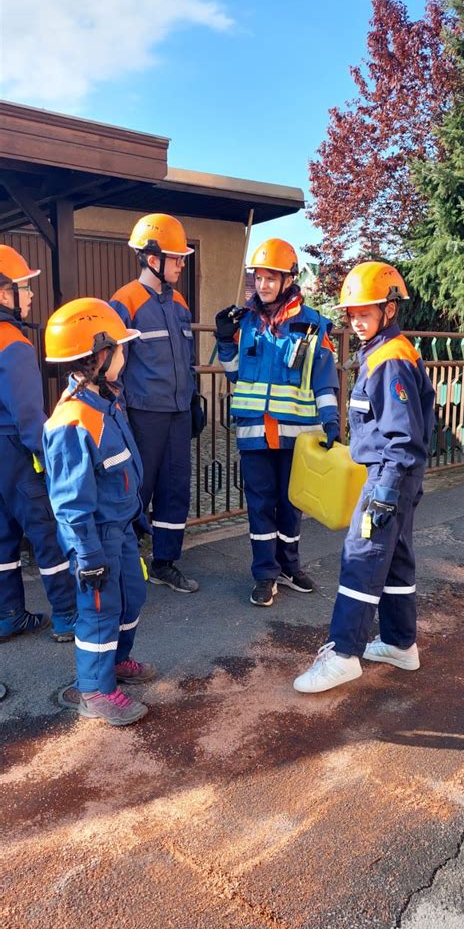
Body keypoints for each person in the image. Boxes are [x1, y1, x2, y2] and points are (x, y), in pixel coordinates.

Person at [293, 261, 435, 694]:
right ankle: (399, 643)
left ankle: (342, 654)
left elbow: (402, 435)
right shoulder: (386, 352)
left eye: (365, 312)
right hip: (398, 474)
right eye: (351, 313)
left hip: (389, 474)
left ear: (389, 310)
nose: (356, 321)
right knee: (395, 557)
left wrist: (385, 491)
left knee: (362, 554)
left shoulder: (389, 361)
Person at [43, 298, 156, 726]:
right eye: (121, 349)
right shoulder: (74, 420)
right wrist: (88, 558)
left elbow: (120, 469)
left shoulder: (105, 401)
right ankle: (93, 690)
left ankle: (116, 664)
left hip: (120, 529)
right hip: (95, 541)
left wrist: (136, 517)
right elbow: (71, 504)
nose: (126, 356)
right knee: (99, 611)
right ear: (100, 354)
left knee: (132, 598)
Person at [215, 238, 340, 606]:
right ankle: (264, 575)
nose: (264, 285)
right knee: (259, 507)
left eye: (272, 277)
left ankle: (289, 567)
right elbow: (236, 374)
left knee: (291, 505)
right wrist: (225, 340)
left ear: (289, 280)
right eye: (259, 277)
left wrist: (331, 420)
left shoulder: (313, 325)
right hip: (255, 434)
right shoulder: (246, 323)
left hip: (297, 437)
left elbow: (324, 379)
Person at [110, 213, 205, 594]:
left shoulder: (179, 302)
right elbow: (113, 366)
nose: (182, 264)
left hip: (179, 412)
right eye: (176, 258)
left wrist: (194, 398)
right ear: (153, 259)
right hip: (144, 415)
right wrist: (118, 415)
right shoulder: (124, 302)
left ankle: (165, 562)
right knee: (138, 489)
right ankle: (127, 565)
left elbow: (188, 357)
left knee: (175, 488)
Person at [0, 245, 76, 642]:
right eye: (24, 287)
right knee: (45, 534)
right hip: (14, 453)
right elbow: (29, 418)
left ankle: (8, 614)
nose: (30, 295)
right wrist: (51, 461)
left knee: (1, 539)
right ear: (3, 293)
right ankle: (66, 615)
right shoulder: (14, 344)